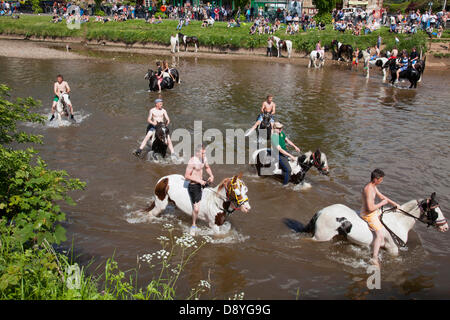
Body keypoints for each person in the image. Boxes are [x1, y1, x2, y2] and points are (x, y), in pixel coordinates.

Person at [360, 169, 400, 267]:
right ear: (375, 179)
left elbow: (382, 196)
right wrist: (382, 203)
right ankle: (374, 258)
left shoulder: (373, 186)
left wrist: (395, 204)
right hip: (368, 214)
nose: (382, 181)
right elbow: (370, 208)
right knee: (380, 235)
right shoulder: (369, 189)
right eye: (381, 179)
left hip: (373, 211)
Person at [184, 144, 214, 236]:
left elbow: (207, 167)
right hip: (193, 185)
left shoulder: (204, 159)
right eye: (202, 153)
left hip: (202, 182)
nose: (204, 155)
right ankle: (193, 225)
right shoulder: (192, 161)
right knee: (196, 209)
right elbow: (187, 176)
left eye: (205, 153)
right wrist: (199, 181)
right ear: (197, 153)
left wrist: (211, 175)